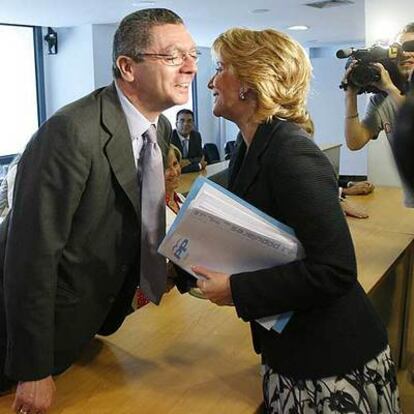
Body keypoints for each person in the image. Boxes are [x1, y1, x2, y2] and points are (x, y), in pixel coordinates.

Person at [0, 8, 197, 413]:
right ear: (127, 66)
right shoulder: (70, 132)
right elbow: (30, 256)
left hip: (90, 323)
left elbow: (136, 221)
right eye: (174, 56)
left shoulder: (157, 127)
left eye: (192, 55)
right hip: (22, 343)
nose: (191, 68)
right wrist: (32, 369)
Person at [193, 27, 400, 413]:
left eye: (220, 68)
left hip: (330, 361)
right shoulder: (251, 145)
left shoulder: (290, 153)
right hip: (292, 349)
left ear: (250, 82)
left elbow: (335, 271)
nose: (209, 81)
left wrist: (237, 291)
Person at [343, 22, 414, 207]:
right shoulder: (382, 99)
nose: (404, 53)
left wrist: (390, 88)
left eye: (411, 47)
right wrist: (351, 95)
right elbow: (355, 142)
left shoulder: (389, 91)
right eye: (398, 49)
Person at [171, 109, 207, 173]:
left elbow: (200, 157)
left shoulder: (196, 136)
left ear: (193, 124)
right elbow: (173, 166)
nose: (185, 124)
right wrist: (199, 166)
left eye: (189, 121)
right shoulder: (169, 137)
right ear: (176, 124)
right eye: (182, 121)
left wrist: (188, 161)